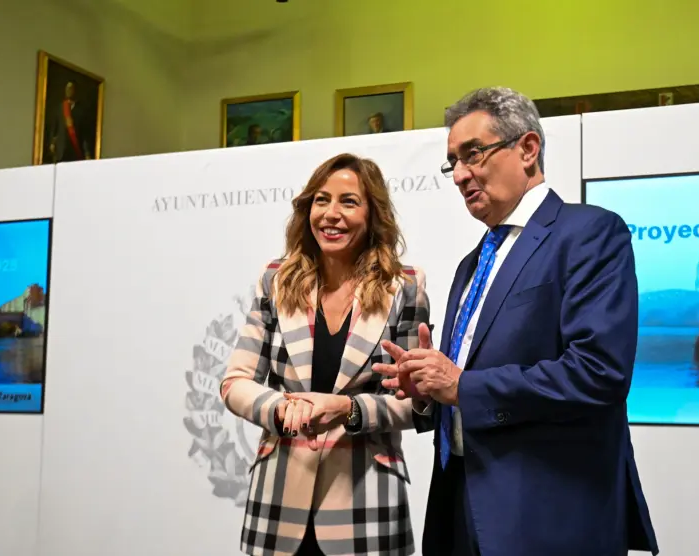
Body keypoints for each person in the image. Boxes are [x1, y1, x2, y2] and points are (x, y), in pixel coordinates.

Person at [373, 87, 660, 556]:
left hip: (547, 517)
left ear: (527, 149)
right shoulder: (471, 263)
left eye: (473, 154)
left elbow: (598, 372)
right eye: (453, 162)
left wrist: (462, 386)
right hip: (459, 508)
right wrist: (428, 393)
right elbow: (465, 386)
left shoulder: (589, 233)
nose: (460, 175)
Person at [220, 153, 431, 556]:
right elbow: (235, 382)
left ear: (373, 214)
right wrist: (280, 409)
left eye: (349, 202)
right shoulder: (276, 280)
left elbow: (418, 404)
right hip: (278, 505)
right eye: (321, 200)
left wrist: (349, 410)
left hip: (367, 506)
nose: (331, 214)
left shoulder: (405, 287)